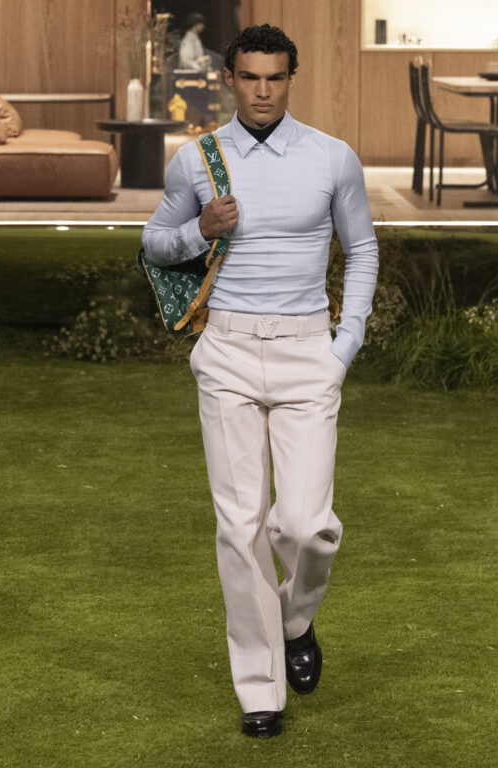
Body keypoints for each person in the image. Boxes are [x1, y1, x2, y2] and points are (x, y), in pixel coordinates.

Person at [142, 24, 378, 739]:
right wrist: (201, 230)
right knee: (239, 527)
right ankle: (260, 691)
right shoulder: (197, 160)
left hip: (309, 351)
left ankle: (294, 620)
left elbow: (362, 249)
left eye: (275, 77)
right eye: (250, 77)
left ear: (290, 78)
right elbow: (154, 243)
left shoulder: (332, 157)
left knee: (308, 526)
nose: (263, 91)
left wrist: (343, 346)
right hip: (228, 352)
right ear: (230, 79)